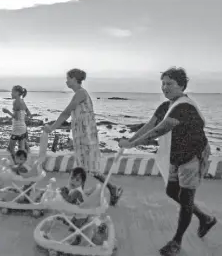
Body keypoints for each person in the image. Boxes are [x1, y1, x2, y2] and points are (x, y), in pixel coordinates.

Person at [119, 67, 217, 256]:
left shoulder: (184, 106)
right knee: (172, 191)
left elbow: (159, 130)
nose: (165, 87)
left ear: (181, 85)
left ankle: (176, 242)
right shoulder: (166, 106)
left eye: (169, 84)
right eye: (163, 83)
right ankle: (205, 218)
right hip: (175, 155)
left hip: (192, 156)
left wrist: (133, 144)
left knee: (187, 198)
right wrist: (130, 140)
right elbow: (150, 125)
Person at [43, 68, 123, 206]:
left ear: (74, 79)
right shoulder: (80, 93)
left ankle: (88, 194)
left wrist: (51, 128)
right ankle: (86, 194)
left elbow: (66, 113)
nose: (66, 81)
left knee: (87, 169)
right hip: (83, 136)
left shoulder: (80, 93)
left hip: (86, 137)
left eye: (68, 78)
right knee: (85, 169)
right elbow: (75, 117)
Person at [2, 85, 32, 160]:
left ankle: (17, 164)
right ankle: (22, 163)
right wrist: (23, 118)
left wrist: (7, 111)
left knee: (11, 149)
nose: (11, 94)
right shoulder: (22, 101)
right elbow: (29, 114)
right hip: (23, 128)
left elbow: (17, 117)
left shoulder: (16, 102)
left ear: (17, 93)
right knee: (21, 149)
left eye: (12, 92)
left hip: (17, 129)